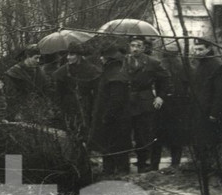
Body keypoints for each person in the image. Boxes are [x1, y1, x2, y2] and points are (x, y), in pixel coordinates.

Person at [124, 35, 170, 172]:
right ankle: (127, 164)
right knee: (126, 133)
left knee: (143, 134)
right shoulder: (124, 61)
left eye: (138, 46)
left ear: (144, 48)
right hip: (127, 101)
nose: (135, 49)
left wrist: (161, 96)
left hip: (145, 102)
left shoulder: (152, 62)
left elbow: (166, 79)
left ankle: (144, 164)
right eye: (133, 45)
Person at [90, 42, 132, 176]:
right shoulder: (114, 71)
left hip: (115, 118)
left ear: (108, 58)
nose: (101, 59)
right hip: (116, 117)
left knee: (114, 144)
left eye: (103, 56)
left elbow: (116, 100)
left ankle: (117, 171)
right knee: (113, 144)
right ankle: (112, 170)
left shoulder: (114, 74)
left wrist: (107, 116)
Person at [190, 37, 222, 165]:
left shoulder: (218, 66)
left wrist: (214, 112)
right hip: (199, 109)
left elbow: (220, 93)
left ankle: (211, 167)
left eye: (201, 49)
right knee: (200, 140)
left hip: (209, 111)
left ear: (209, 49)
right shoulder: (200, 64)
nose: (197, 52)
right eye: (195, 50)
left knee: (210, 141)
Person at [49, 42, 100, 139]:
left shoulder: (91, 69)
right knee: (71, 131)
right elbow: (58, 93)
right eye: (68, 54)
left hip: (86, 105)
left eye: (72, 55)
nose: (68, 57)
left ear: (79, 56)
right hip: (69, 105)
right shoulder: (63, 71)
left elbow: (97, 92)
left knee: (86, 131)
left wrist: (94, 108)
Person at [156, 47, 192, 170]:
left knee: (167, 134)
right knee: (176, 134)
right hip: (177, 105)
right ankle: (175, 162)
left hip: (168, 104)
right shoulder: (183, 66)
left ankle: (167, 163)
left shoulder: (162, 65)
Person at [4, 45, 52, 125]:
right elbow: (11, 95)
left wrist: (46, 107)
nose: (38, 61)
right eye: (36, 58)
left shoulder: (40, 72)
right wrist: (18, 111)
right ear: (28, 57)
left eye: (39, 58)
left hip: (38, 110)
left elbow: (46, 90)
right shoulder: (14, 73)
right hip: (20, 112)